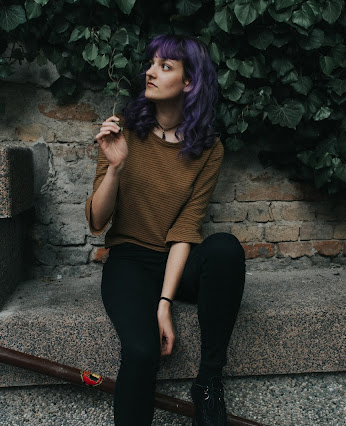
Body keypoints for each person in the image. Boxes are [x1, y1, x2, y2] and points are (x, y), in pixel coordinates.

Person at [85, 34, 246, 426]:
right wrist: (117, 167)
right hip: (130, 261)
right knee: (142, 352)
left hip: (176, 259)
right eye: (151, 63)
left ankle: (209, 384)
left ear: (188, 83)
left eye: (165, 66)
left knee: (225, 249)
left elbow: (186, 228)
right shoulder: (123, 129)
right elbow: (95, 221)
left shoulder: (208, 148)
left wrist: (164, 304)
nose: (150, 72)